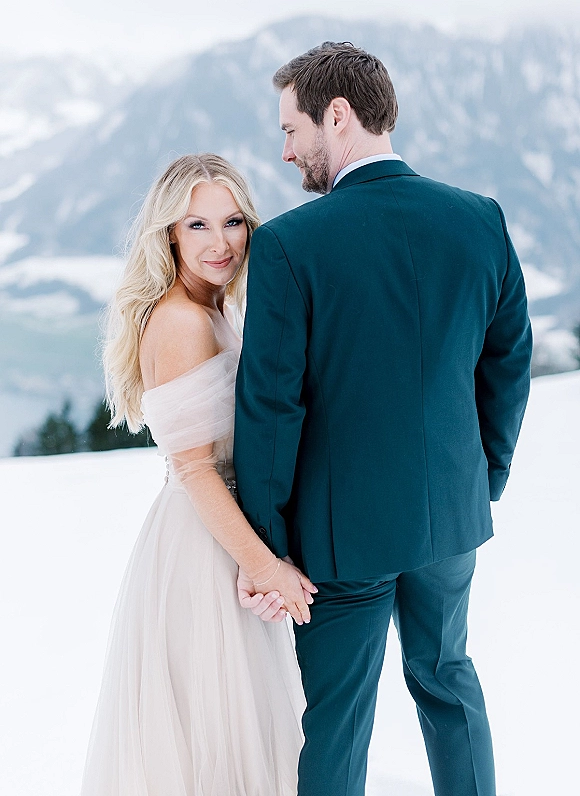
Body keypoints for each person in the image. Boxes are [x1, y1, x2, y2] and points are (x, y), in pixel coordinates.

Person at [234, 43, 533, 796]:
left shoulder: (290, 245)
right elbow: (509, 362)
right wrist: (484, 474)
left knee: (337, 720)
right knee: (447, 679)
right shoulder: (480, 219)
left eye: (292, 129)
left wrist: (266, 544)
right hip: (451, 517)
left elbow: (272, 406)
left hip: (342, 537)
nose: (285, 150)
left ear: (338, 116)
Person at [80, 153, 316, 796]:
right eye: (198, 226)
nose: (221, 243)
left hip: (222, 533)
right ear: (169, 235)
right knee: (208, 740)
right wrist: (265, 567)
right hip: (203, 545)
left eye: (233, 222)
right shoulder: (184, 320)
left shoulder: (217, 308)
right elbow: (193, 468)